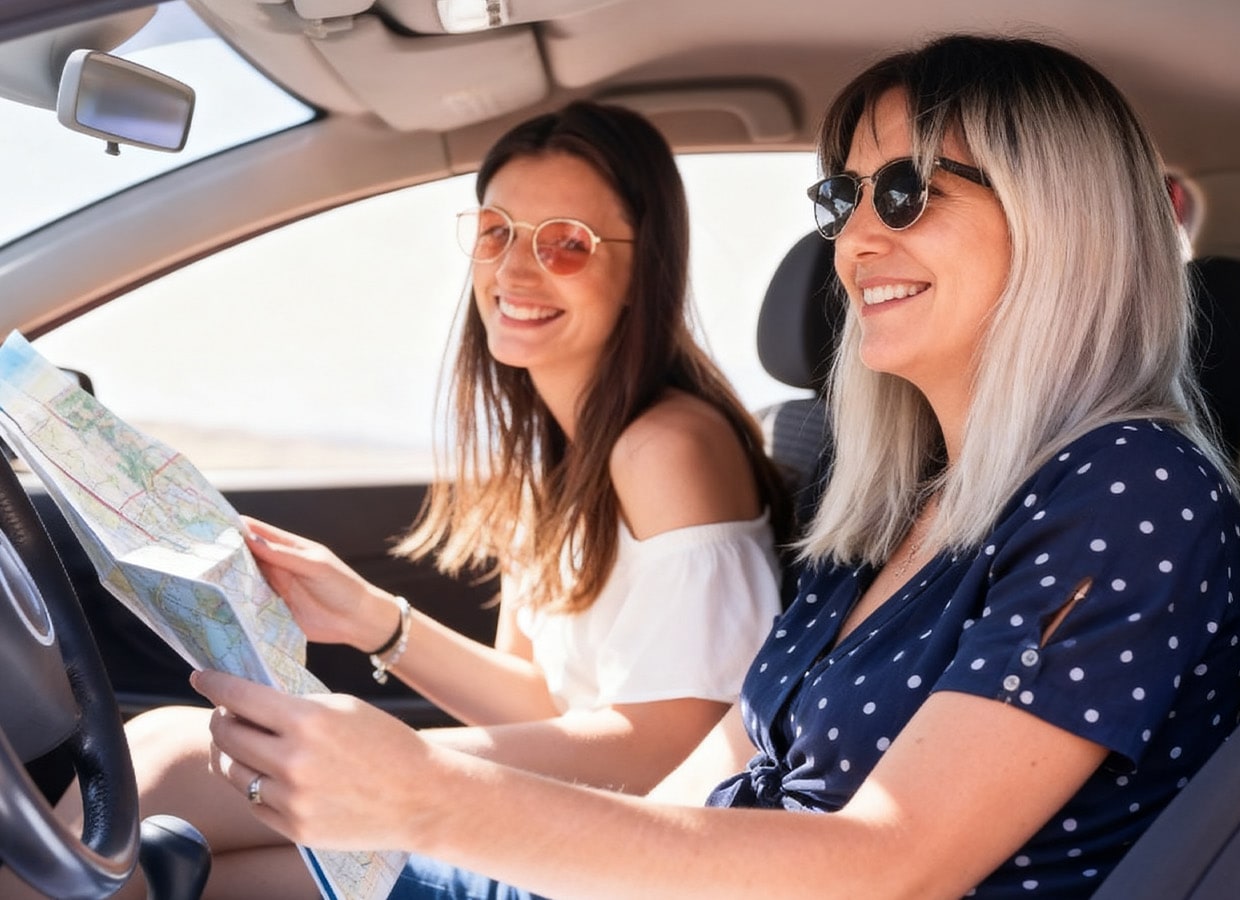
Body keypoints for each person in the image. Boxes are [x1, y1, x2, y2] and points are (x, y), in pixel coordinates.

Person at [191, 33, 1240, 899]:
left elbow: (893, 866)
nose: (853, 244)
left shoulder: (1132, 494)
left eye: (906, 193)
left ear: (1059, 220)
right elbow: (702, 789)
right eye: (845, 200)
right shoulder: (890, 506)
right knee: (174, 857)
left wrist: (429, 796)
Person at [28, 101, 789, 899]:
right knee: (180, 857)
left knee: (175, 761)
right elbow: (545, 701)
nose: (515, 269)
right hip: (557, 825)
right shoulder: (562, 455)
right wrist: (372, 619)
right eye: (496, 232)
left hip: (612, 856)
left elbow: (674, 743)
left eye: (565, 244)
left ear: (645, 268)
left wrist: (403, 770)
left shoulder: (668, 447)